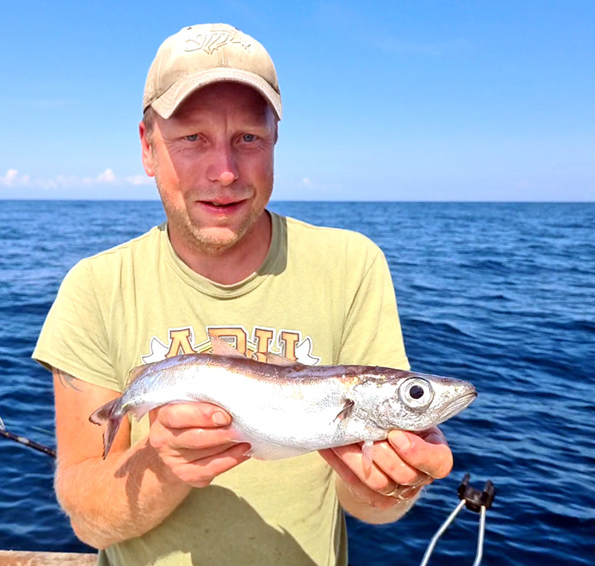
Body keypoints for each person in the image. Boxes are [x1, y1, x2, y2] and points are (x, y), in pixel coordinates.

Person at [33, 23, 454, 566]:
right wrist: (163, 467)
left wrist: (390, 485)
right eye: (192, 138)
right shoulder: (94, 288)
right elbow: (88, 520)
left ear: (275, 140)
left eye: (248, 139)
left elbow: (372, 508)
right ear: (147, 148)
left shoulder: (352, 265)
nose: (225, 171)